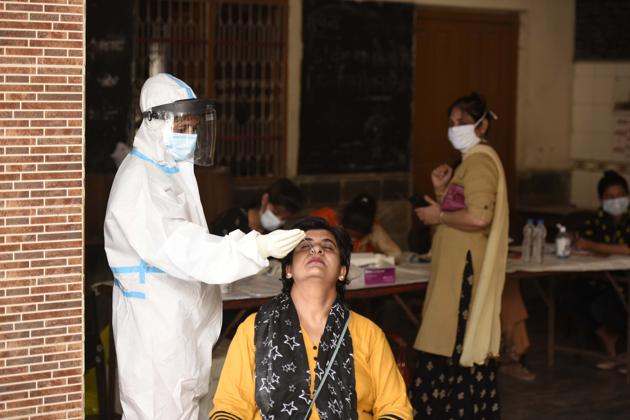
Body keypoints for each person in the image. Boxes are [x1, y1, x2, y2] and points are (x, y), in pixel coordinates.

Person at [104, 73, 305, 420]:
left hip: (176, 322)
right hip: (157, 327)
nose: (190, 137)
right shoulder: (141, 179)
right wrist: (251, 249)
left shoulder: (168, 172)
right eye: (181, 128)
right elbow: (181, 246)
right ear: (153, 123)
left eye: (193, 128)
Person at [209, 217, 412, 419]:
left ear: (342, 271)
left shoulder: (369, 334)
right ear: (289, 269)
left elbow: (395, 408)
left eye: (328, 247)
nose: (316, 250)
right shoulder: (255, 329)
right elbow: (229, 407)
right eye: (305, 246)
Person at [411, 92, 508, 419]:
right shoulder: (469, 162)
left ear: (482, 126)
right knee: (447, 347)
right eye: (451, 123)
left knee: (452, 349)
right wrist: (441, 192)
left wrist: (437, 216)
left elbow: (479, 216)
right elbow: (459, 211)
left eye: (462, 122)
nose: (455, 129)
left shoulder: (480, 162)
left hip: (464, 276)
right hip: (455, 268)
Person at [566, 170, 630, 370]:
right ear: (601, 200)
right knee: (569, 294)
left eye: (620, 196)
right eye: (610, 197)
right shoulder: (598, 219)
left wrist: (592, 246)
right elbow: (580, 241)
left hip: (623, 280)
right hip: (599, 278)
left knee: (604, 305)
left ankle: (623, 350)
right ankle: (609, 340)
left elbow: (627, 249)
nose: (616, 201)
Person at [310, 193, 402, 258]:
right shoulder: (323, 219)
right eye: (349, 233)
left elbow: (396, 255)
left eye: (356, 236)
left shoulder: (373, 228)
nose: (352, 239)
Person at [210, 178, 304, 235]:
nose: (278, 220)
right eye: (276, 212)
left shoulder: (276, 234)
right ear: (265, 199)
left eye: (284, 218)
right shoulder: (232, 219)